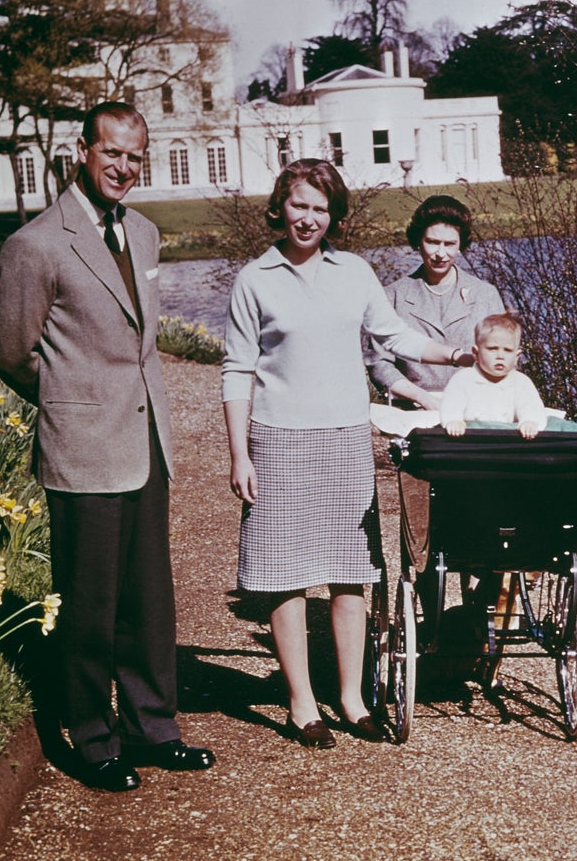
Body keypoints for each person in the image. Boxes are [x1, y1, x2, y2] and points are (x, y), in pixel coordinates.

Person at [0, 101, 213, 792]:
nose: (124, 167)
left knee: (149, 599)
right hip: (83, 445)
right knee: (88, 603)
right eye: (112, 153)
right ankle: (92, 738)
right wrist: (72, 403)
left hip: (145, 442)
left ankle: (154, 727)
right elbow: (13, 355)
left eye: (135, 157)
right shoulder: (36, 244)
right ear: (80, 152)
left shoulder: (144, 234)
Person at [222, 159, 473, 749]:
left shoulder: (354, 271)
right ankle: (300, 703)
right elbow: (236, 371)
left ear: (333, 214)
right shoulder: (254, 278)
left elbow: (396, 337)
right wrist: (240, 455)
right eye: (298, 205)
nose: (308, 218)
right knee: (284, 575)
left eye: (320, 207)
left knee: (349, 573)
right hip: (278, 439)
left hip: (344, 439)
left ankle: (353, 698)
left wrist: (456, 358)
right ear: (280, 207)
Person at [369, 195, 504, 411]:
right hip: (412, 410)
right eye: (432, 242)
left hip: (475, 408)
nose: (440, 253)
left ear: (461, 245)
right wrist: (422, 398)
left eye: (449, 244)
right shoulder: (392, 296)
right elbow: (379, 364)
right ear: (418, 242)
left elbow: (503, 357)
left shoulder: (485, 294)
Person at [441, 313, 547, 438]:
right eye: (492, 349)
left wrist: (529, 422)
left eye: (507, 350)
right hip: (470, 442)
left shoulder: (521, 382)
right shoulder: (463, 379)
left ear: (517, 356)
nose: (500, 356)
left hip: (507, 443)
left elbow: (532, 407)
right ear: (476, 353)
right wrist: (454, 421)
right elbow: (451, 405)